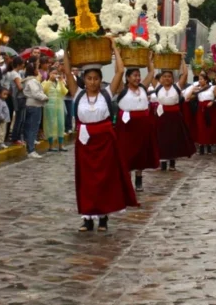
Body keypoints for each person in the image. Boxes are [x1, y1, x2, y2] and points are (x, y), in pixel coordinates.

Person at [63, 40, 137, 232]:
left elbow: (120, 71)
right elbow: (67, 71)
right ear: (84, 80)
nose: (93, 82)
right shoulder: (77, 94)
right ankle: (87, 218)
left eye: (96, 78)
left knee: (105, 179)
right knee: (86, 180)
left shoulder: (106, 93)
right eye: (89, 78)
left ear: (100, 79)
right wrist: (67, 50)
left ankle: (103, 217)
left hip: (105, 143)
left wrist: (114, 49)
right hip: (85, 144)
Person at [114, 53, 159, 191]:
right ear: (127, 78)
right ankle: (126, 180)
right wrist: (118, 55)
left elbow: (151, 72)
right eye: (134, 75)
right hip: (127, 127)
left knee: (140, 153)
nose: (137, 78)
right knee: (126, 153)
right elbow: (118, 71)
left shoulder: (143, 88)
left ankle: (139, 179)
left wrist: (149, 59)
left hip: (142, 125)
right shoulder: (123, 89)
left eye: (138, 75)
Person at [153, 57, 194, 171]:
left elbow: (185, 74)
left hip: (174, 117)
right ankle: (163, 162)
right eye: (164, 76)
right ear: (161, 78)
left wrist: (182, 60)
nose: (167, 78)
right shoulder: (158, 87)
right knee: (161, 139)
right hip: (161, 117)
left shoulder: (176, 87)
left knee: (173, 139)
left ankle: (172, 162)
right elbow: (151, 73)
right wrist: (150, 59)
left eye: (169, 76)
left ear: (173, 78)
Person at [22, 62, 47, 159]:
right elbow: (36, 93)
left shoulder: (30, 81)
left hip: (32, 105)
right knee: (33, 128)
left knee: (30, 128)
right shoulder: (32, 81)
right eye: (37, 69)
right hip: (34, 105)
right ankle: (31, 150)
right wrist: (45, 97)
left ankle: (30, 148)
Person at [42, 68, 68, 151]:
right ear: (49, 74)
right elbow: (43, 90)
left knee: (61, 124)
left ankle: (60, 145)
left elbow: (65, 92)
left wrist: (61, 81)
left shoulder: (60, 83)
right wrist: (49, 80)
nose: (55, 74)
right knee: (50, 125)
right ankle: (51, 146)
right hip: (50, 107)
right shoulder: (45, 83)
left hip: (59, 106)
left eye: (56, 73)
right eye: (53, 73)